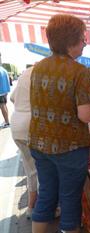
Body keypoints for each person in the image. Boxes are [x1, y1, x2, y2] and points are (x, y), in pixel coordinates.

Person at [28, 14, 90, 233]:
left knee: (47, 194)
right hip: (69, 147)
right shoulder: (79, 71)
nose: (85, 42)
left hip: (39, 144)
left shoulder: (38, 68)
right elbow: (85, 115)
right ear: (71, 41)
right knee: (69, 201)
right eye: (82, 38)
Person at [10, 67, 38, 219]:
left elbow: (12, 98)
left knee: (30, 169)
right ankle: (40, 209)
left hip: (16, 123)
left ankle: (31, 207)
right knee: (41, 169)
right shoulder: (42, 73)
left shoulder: (25, 73)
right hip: (30, 124)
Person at [0, 58, 10, 128]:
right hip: (5, 91)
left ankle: (7, 122)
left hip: (0, 91)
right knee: (4, 106)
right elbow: (8, 81)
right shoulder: (4, 70)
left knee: (2, 106)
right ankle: (7, 121)